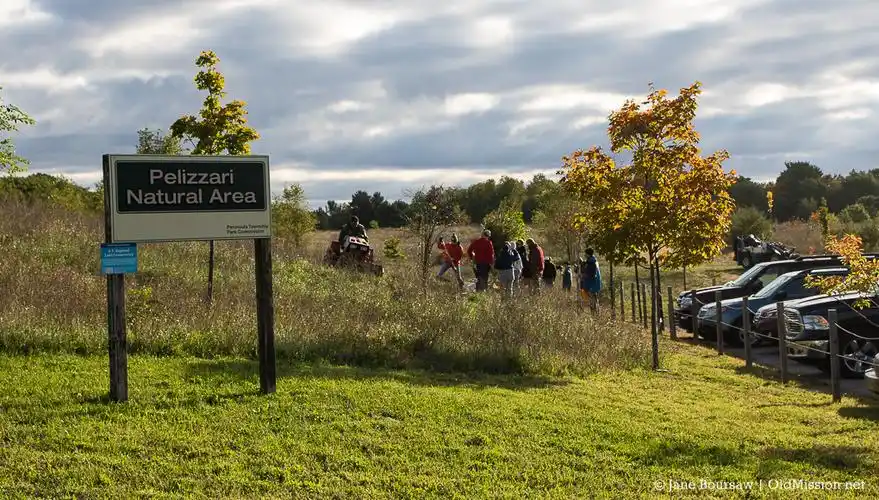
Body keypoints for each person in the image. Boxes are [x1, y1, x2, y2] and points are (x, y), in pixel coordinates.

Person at [580, 248, 602, 313]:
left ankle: (595, 315)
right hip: (593, 284)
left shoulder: (592, 263)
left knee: (593, 301)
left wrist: (583, 276)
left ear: (588, 254)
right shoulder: (592, 261)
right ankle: (595, 314)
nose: (584, 255)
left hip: (592, 285)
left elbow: (592, 274)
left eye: (585, 253)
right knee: (594, 300)